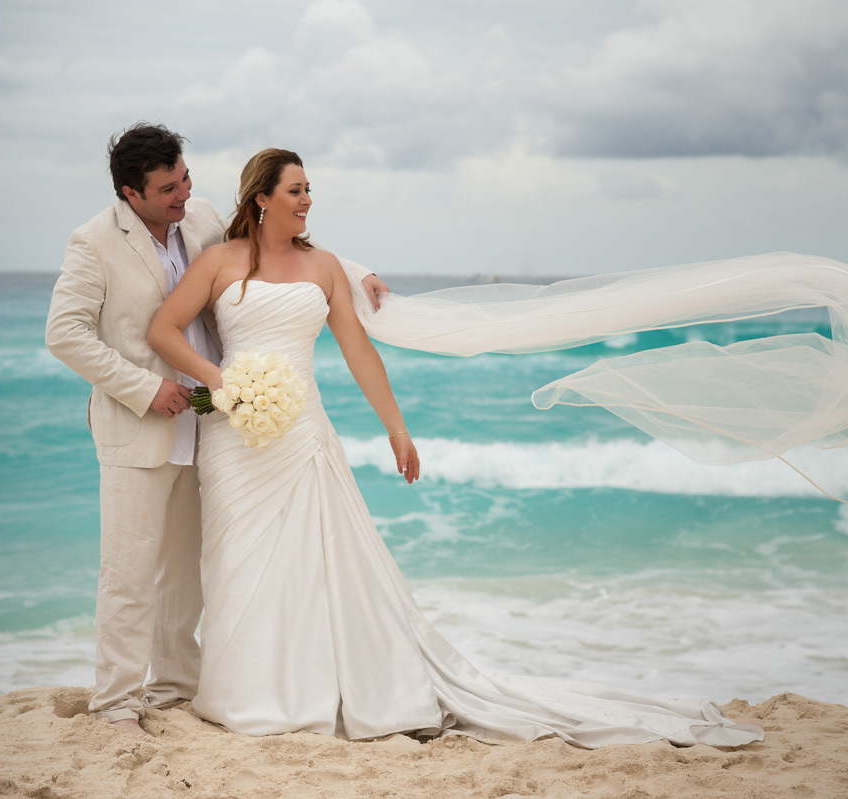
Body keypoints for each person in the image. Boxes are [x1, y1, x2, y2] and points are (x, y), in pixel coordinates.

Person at [147, 148, 764, 747]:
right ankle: (240, 693)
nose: (308, 200)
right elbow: (164, 330)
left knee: (313, 562)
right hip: (234, 434)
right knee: (236, 559)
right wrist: (223, 381)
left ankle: (308, 691)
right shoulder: (220, 260)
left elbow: (359, 351)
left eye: (309, 190)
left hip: (303, 429)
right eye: (296, 190)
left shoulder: (325, 266)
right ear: (262, 199)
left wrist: (397, 428)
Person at [46, 126, 388, 736]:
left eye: (184, 179)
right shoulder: (94, 243)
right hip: (140, 424)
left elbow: (280, 244)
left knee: (186, 573)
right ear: (132, 193)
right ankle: (117, 700)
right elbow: (65, 335)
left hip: (211, 428)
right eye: (167, 188)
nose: (183, 193)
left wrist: (357, 274)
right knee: (128, 572)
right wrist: (148, 389)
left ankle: (175, 684)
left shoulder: (199, 218)